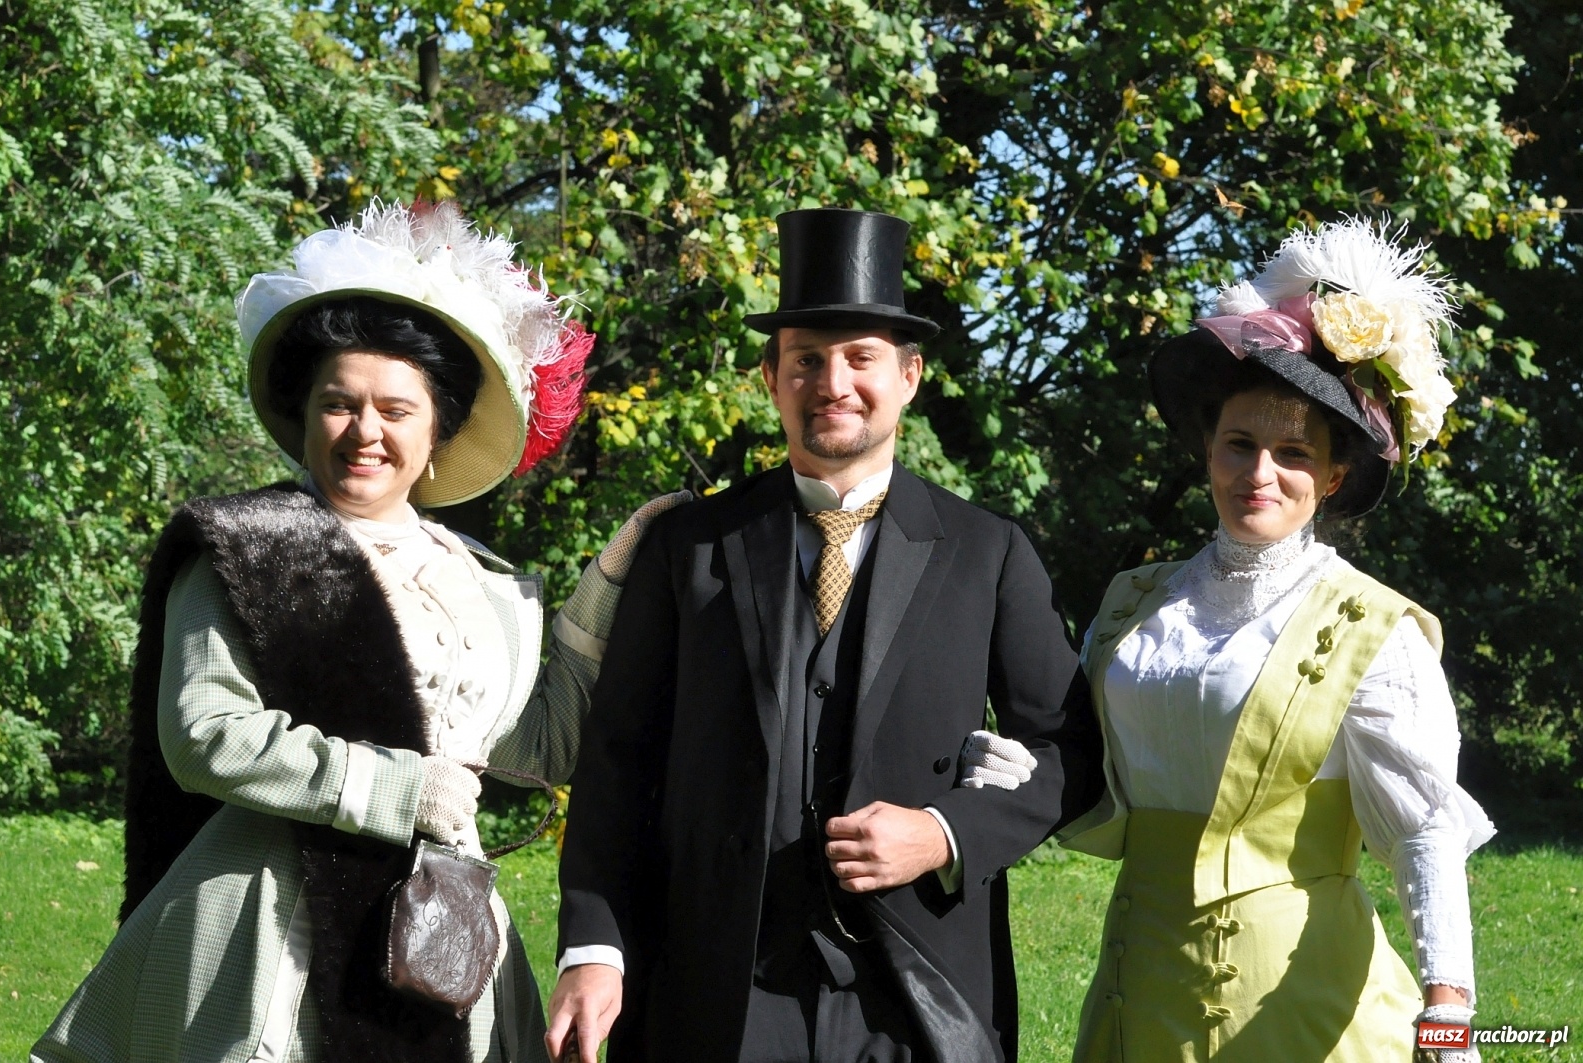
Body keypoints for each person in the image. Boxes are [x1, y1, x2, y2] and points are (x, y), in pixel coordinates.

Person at [32, 200, 686, 1063]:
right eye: (339, 404)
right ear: (304, 413)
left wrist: (612, 577)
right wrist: (396, 790)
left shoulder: (480, 583)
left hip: (437, 939)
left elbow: (538, 746)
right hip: (273, 933)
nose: (364, 432)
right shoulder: (247, 545)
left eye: (395, 410)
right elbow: (204, 734)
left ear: (438, 431)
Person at [545, 207, 1103, 1063]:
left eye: (860, 359)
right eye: (807, 359)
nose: (833, 382)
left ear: (910, 375)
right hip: (712, 981)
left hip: (915, 989)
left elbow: (1070, 750)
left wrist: (946, 833)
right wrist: (593, 944)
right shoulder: (685, 547)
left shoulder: (990, 552)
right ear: (771, 376)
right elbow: (617, 761)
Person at [1062, 218, 1495, 1062]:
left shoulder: (1375, 629)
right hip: (1139, 996)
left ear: (1333, 477)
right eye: (1240, 444)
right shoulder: (1134, 608)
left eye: (1293, 452)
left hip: (1304, 1011)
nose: (1260, 473)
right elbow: (1088, 769)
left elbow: (1423, 832)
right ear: (1208, 453)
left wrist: (1447, 1007)